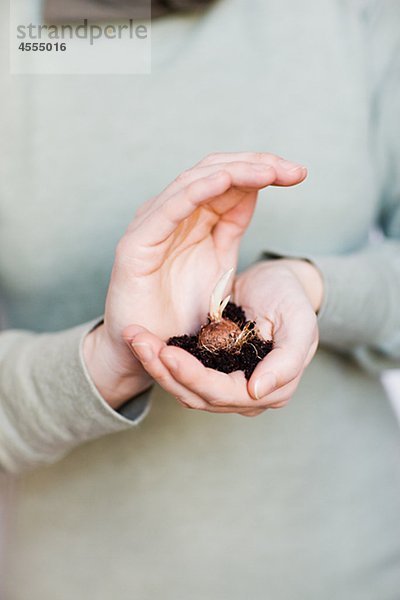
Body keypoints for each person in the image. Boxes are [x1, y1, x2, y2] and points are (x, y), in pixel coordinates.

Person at [1, 0, 400, 598]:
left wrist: (311, 286)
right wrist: (108, 361)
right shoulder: (18, 32)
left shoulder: (353, 14)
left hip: (355, 572)